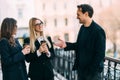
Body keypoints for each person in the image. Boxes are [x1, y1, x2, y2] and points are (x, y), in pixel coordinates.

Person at [54, 4, 106, 80]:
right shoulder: (82, 28)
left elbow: (100, 54)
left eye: (78, 15)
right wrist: (66, 45)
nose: (77, 17)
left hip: (92, 75)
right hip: (81, 72)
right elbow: (79, 45)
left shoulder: (98, 31)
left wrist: (90, 71)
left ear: (86, 14)